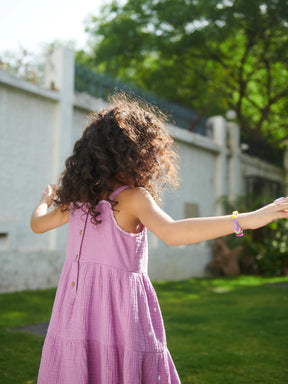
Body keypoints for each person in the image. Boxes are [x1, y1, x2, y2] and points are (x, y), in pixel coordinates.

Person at [31, 94, 288, 384]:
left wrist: (45, 200)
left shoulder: (79, 200)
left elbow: (38, 224)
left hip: (75, 313)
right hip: (118, 316)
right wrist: (247, 219)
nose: (155, 156)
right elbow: (174, 232)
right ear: (131, 152)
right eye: (150, 149)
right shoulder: (131, 198)